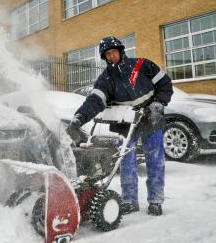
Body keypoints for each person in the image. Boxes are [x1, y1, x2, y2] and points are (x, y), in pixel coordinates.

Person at [66, 36, 173, 216]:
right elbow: (95, 100)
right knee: (126, 163)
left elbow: (165, 84)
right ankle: (129, 201)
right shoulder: (106, 79)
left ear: (121, 51)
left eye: (113, 52)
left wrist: (158, 104)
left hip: (150, 119)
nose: (111, 56)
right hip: (125, 124)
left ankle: (155, 200)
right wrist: (79, 118)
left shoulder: (142, 65)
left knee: (155, 161)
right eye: (107, 54)